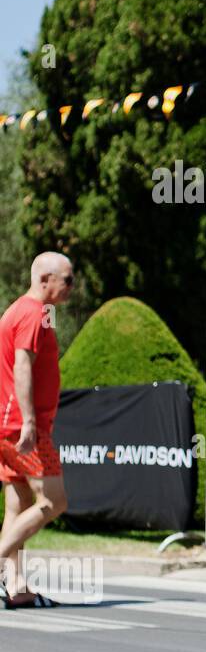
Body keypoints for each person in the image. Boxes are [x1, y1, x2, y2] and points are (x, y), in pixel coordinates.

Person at [0, 252, 74, 609]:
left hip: (8, 423)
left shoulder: (18, 310)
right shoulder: (31, 313)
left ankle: (15, 586)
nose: (71, 288)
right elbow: (23, 367)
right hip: (22, 426)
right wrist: (29, 422)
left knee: (19, 505)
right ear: (45, 279)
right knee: (54, 500)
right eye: (67, 280)